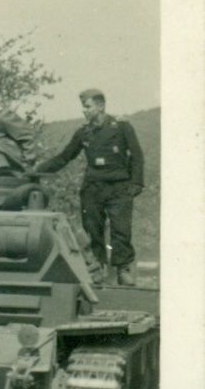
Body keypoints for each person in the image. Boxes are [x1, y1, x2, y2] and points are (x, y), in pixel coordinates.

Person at [36, 88, 145, 286]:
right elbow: (65, 157)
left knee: (121, 231)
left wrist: (137, 183)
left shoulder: (121, 127)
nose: (84, 111)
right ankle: (97, 272)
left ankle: (124, 271)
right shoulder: (84, 133)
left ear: (101, 106)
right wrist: (37, 171)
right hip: (93, 188)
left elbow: (137, 155)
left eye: (87, 106)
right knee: (93, 231)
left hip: (119, 188)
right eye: (83, 107)